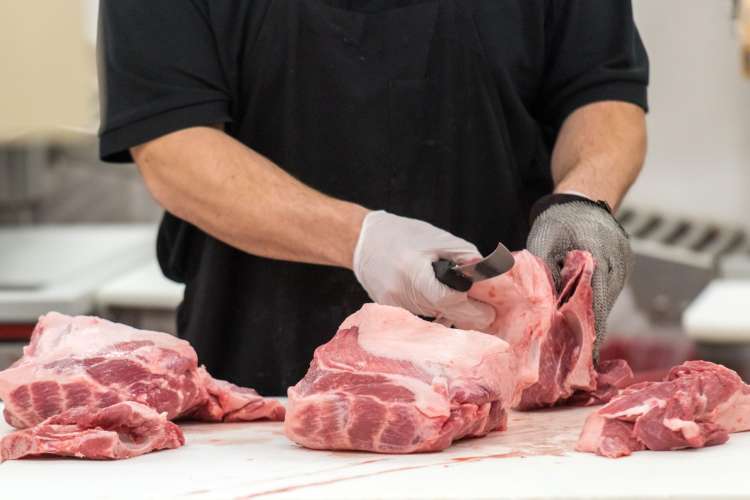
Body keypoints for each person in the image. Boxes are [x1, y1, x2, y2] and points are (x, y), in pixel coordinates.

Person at [98, 0, 648, 395]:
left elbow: (601, 92)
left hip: (503, 383)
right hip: (255, 402)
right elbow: (173, 148)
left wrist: (583, 198)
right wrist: (364, 240)